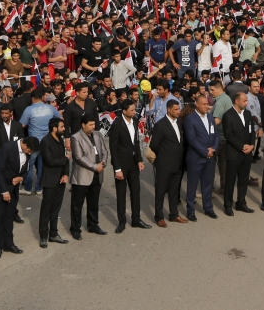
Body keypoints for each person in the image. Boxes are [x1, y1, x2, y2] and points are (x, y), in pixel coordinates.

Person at [0, 136, 38, 257]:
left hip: (14, 189)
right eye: (30, 151)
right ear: (25, 145)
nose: (30, 153)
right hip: (2, 188)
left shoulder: (26, 153)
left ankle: (9, 243)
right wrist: (4, 191)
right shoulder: (8, 148)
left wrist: (21, 178)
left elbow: (26, 169)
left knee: (9, 217)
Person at [108, 102, 150, 232]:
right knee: (121, 194)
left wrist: (139, 160)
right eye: (131, 110)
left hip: (133, 163)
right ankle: (122, 221)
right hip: (121, 164)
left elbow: (136, 142)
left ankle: (136, 219)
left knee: (136, 191)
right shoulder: (117, 124)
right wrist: (117, 168)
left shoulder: (135, 121)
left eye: (134, 110)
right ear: (124, 111)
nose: (134, 112)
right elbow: (113, 148)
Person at [69, 117, 106, 240]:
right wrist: (95, 167)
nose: (93, 127)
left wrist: (103, 163)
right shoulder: (76, 137)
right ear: (83, 125)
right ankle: (75, 229)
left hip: (97, 175)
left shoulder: (98, 135)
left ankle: (93, 225)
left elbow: (104, 151)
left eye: (94, 124)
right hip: (82, 176)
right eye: (90, 125)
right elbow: (79, 158)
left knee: (93, 202)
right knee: (77, 205)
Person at [150, 99, 185, 226]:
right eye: (175, 109)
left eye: (179, 109)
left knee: (174, 190)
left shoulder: (179, 122)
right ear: (169, 109)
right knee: (160, 191)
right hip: (164, 164)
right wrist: (164, 154)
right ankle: (159, 216)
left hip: (177, 163)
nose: (178, 112)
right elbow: (154, 145)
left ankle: (174, 214)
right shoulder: (161, 124)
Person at [183, 94, 218, 220]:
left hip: (210, 157)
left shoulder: (209, 117)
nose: (207, 107)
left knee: (207, 184)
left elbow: (215, 135)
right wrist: (204, 151)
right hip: (196, 158)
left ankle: (208, 208)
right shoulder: (190, 119)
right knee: (192, 185)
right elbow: (191, 139)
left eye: (207, 104)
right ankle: (190, 210)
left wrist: (213, 148)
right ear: (197, 105)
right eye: (204, 104)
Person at [39, 117, 69, 246]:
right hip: (49, 180)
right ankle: (43, 236)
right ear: (54, 128)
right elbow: (50, 161)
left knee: (56, 209)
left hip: (60, 180)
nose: (64, 129)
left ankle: (54, 233)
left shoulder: (60, 140)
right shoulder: (45, 141)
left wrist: (66, 174)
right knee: (46, 209)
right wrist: (66, 159)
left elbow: (64, 159)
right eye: (62, 127)